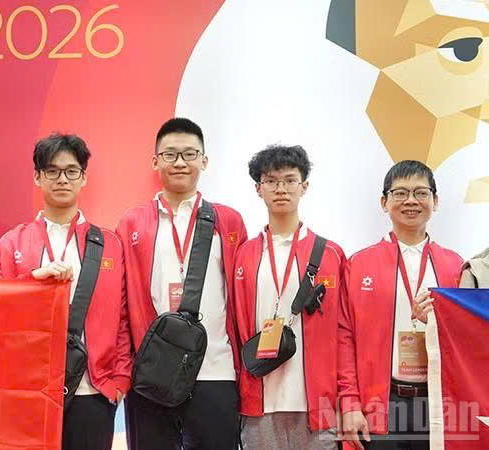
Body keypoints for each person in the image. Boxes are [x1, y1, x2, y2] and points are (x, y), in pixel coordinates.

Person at [0, 133, 131, 450]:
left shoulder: (109, 243)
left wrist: (120, 380)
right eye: (52, 171)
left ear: (83, 177)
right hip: (30, 390)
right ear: (37, 177)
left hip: (93, 390)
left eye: (71, 171)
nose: (62, 179)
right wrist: (32, 280)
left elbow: (122, 318)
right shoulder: (12, 242)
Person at [116, 118, 247, 450]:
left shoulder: (228, 220)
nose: (179, 162)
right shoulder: (132, 222)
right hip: (152, 372)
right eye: (170, 154)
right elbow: (120, 303)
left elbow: (242, 298)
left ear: (204, 160)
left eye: (189, 154)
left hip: (215, 369)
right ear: (155, 161)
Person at [339, 160, 464, 449]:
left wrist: (436, 323)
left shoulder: (455, 265)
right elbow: (343, 337)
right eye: (400, 193)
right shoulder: (359, 264)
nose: (411, 200)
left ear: (435, 201)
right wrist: (349, 402)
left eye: (421, 192)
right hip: (379, 402)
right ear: (384, 202)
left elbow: (466, 338)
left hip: (438, 402)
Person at [232, 145, 344, 449]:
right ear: (258, 189)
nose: (280, 189)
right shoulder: (243, 255)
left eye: (290, 180)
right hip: (258, 400)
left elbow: (343, 333)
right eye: (271, 181)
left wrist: (346, 397)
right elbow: (234, 325)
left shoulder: (331, 254)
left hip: (317, 404)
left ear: (304, 186)